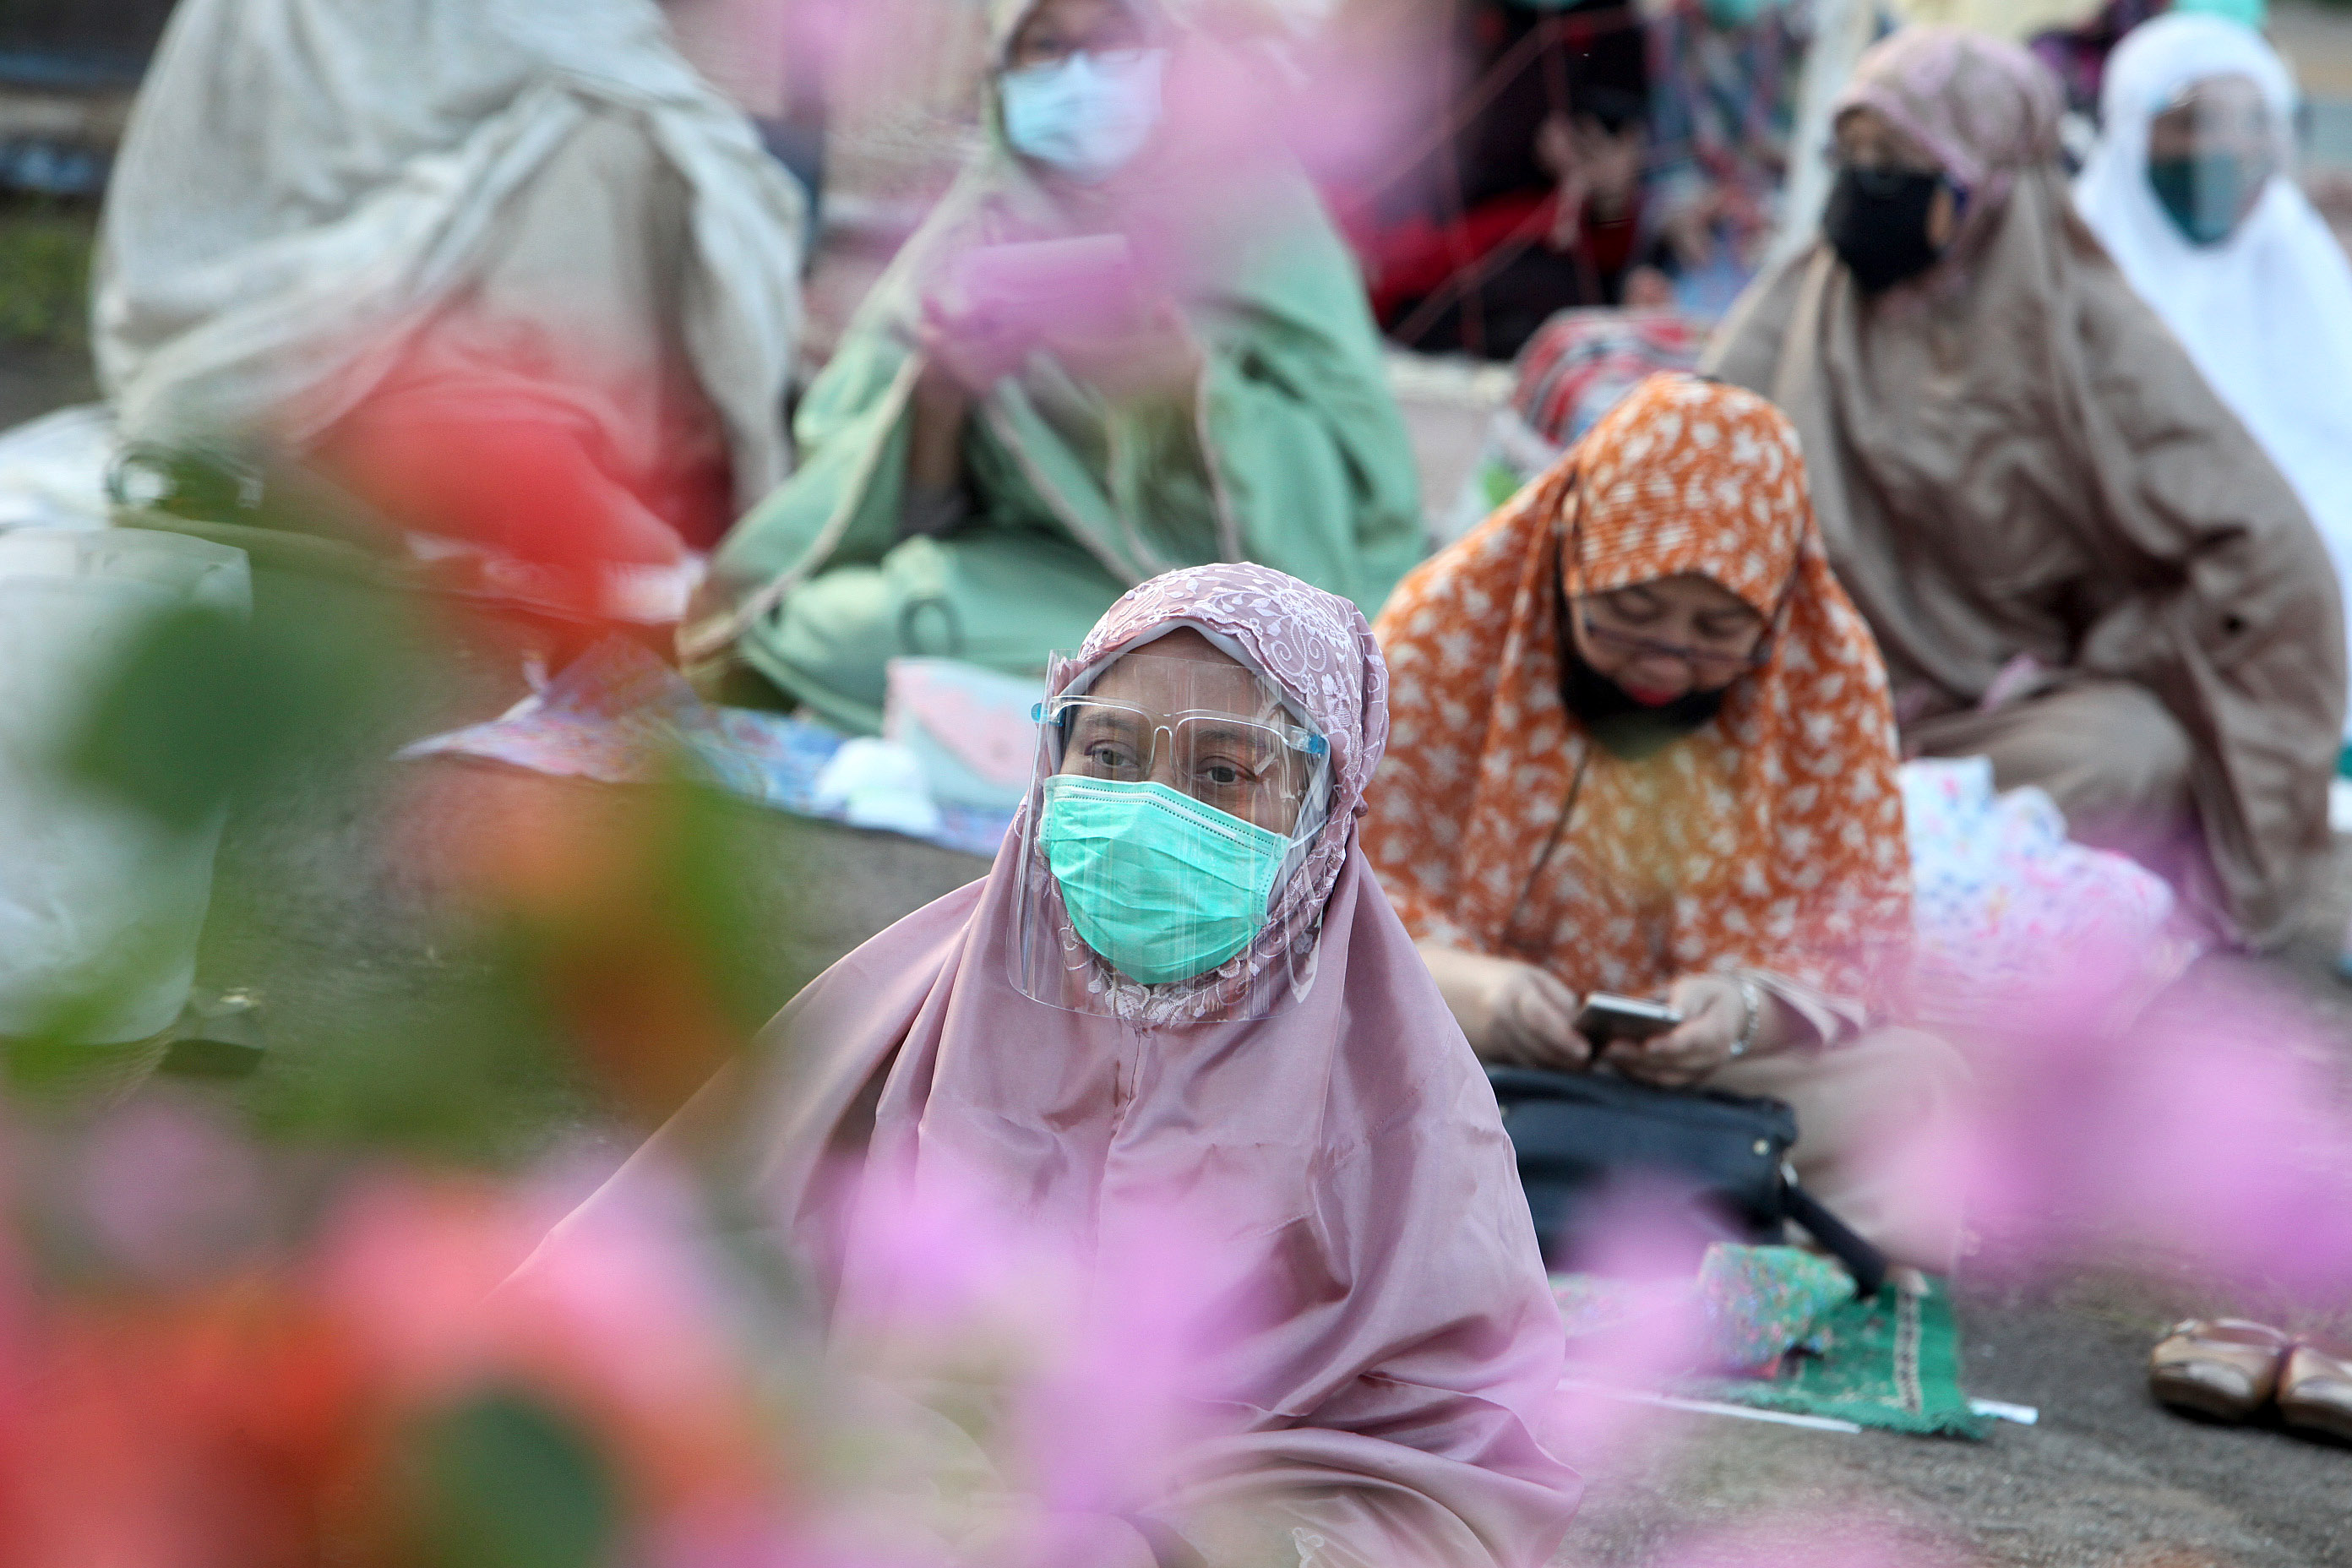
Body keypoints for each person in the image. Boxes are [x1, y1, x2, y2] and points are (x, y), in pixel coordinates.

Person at [536, 564, 1582, 1567]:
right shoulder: (898, 1013)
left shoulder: (1411, 1107)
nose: (1152, 807)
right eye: (1111, 754)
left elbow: (1458, 1473)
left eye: (1223, 770)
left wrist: (1169, 1541)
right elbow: (669, 1291)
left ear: (1324, 809)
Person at [1703, 25, 2344, 952]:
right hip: (1808, 695)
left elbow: (2265, 555)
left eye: (1902, 163)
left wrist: (2121, 650)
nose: (1866, 186)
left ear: (1988, 187)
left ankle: (1907, 868)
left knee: (2135, 755)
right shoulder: (1806, 304)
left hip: (2010, 720)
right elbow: (1686, 465)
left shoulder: (2089, 337)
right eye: (1855, 157)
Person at [689, 0, 1424, 733]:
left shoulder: (1257, 218)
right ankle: (1112, 731)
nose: (1079, 74)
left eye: (1110, 38)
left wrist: (1185, 388)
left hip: (1224, 610)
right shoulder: (982, 224)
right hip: (1038, 584)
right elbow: (913, 517)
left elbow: (1354, 494)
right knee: (828, 627)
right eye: (1044, 47)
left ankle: (1106, 727)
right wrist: (944, 395)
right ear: (1000, 74)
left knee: (1216, 677)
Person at [1366, 373, 1962, 1271]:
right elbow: (1343, 892)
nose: (1667, 663)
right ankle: (1721, 1223)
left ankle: (1508, 1211)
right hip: (1463, 1053)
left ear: (1776, 606)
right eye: (1629, 614)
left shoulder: (1825, 682)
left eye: (1718, 630)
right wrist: (1485, 994)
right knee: (1313, 1061)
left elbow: (1855, 941)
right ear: (1568, 556)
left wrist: (1738, 1011)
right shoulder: (1441, 631)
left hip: (1715, 1081)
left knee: (1924, 1086)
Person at [95, 0, 807, 569]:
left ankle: (528, 444)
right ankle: (461, 446)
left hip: (510, 151)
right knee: (611, 130)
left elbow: (591, 44)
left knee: (624, 141)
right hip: (313, 193)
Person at [2075, 13, 2352, 744]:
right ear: (2133, 128)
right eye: (2197, 122)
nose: (2227, 148)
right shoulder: (2078, 277)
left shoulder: (2298, 260)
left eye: (2253, 122)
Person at [1332, 0, 1656, 358]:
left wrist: (1610, 195)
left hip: (1552, 276)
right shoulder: (1426, 26)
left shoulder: (1616, 33)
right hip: (1420, 273)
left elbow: (1617, 232)